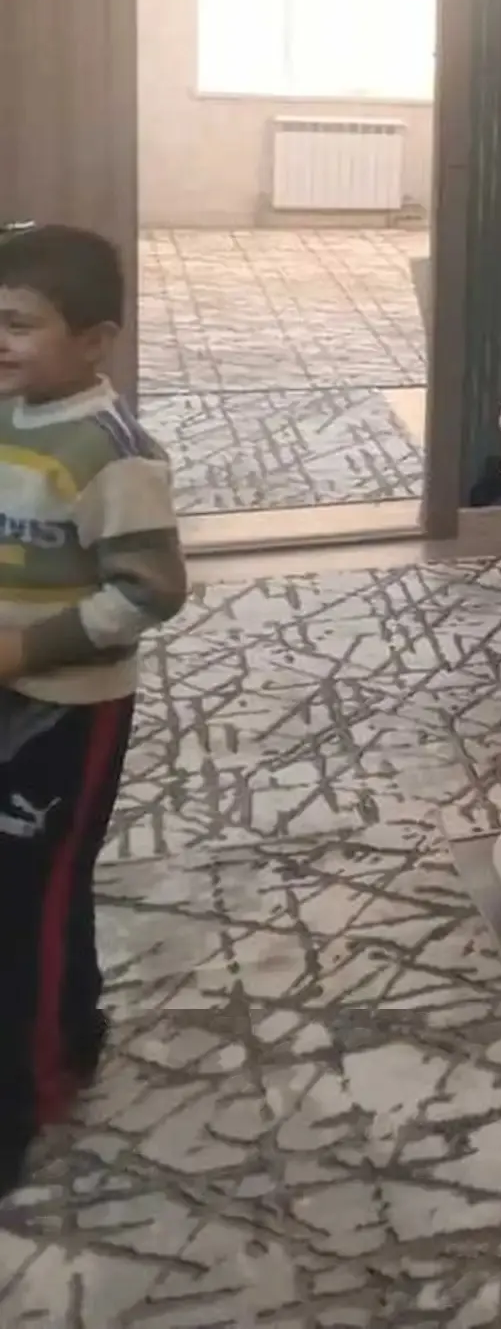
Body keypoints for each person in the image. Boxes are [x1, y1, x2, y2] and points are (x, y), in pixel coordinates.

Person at [0, 225, 187, 1193]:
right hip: (7, 696)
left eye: (17, 323)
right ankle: (69, 1026)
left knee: (35, 897)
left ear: (95, 339)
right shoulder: (11, 416)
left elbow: (150, 592)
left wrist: (26, 648)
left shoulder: (115, 456)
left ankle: (31, 1093)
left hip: (70, 712)